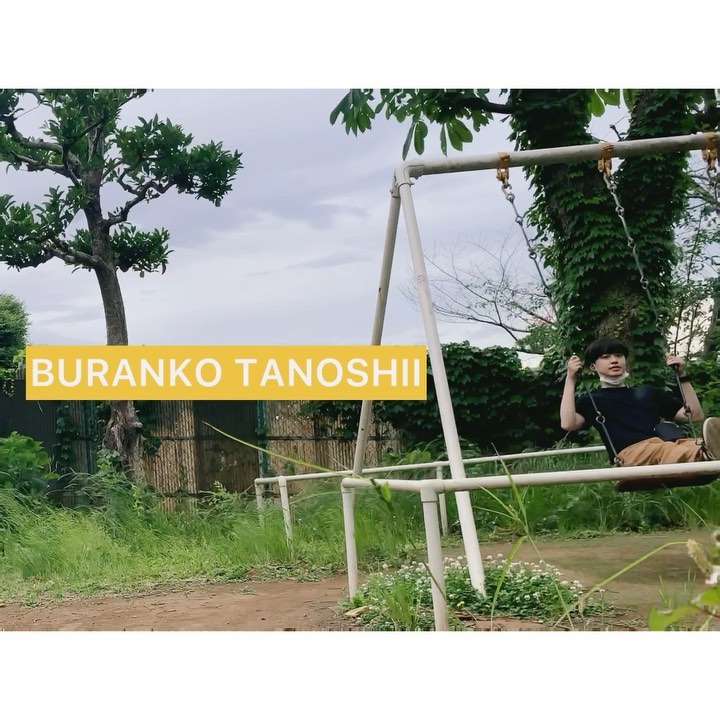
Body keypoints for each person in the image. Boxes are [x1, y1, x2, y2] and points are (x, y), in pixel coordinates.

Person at [560, 336, 720, 466]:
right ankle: (704, 454)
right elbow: (568, 423)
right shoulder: (592, 400)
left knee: (689, 444)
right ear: (593, 366)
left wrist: (682, 376)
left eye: (619, 356)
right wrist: (570, 379)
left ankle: (704, 452)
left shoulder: (647, 392)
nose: (614, 360)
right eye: (605, 357)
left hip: (661, 446)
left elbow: (695, 415)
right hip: (629, 454)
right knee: (667, 449)